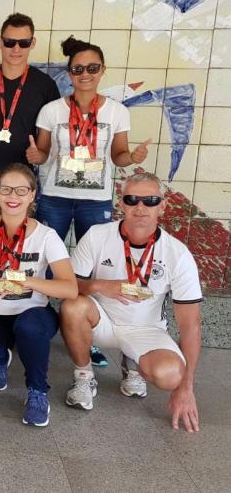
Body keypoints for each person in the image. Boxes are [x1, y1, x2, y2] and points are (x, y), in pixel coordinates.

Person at [29, 35, 152, 368]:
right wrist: (35, 155)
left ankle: (89, 333)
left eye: (92, 68)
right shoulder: (52, 110)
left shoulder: (116, 111)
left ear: (103, 70)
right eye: (78, 69)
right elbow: (42, 153)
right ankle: (37, 326)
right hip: (54, 197)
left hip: (94, 201)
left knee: (94, 267)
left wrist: (132, 157)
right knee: (44, 260)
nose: (85, 74)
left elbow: (118, 155)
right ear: (69, 73)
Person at [60, 172, 202, 432]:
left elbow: (190, 324)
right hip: (101, 321)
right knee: (72, 306)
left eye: (150, 200)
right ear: (121, 203)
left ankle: (133, 363)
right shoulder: (97, 235)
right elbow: (68, 286)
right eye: (132, 199)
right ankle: (84, 376)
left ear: (162, 206)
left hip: (145, 330)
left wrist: (186, 388)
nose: (140, 207)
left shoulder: (178, 254)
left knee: (171, 375)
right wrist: (99, 286)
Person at [0, 163, 77, 427]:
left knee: (30, 327)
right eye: (6, 189)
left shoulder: (46, 236)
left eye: (21, 190)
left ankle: (37, 392)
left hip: (33, 312)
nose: (13, 196)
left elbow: (70, 287)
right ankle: (1, 358)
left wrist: (28, 281)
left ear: (32, 195)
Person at [0, 13, 60, 218]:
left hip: (21, 182)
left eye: (23, 43)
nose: (16, 49)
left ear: (32, 43)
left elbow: (51, 133)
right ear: (0, 42)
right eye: (10, 42)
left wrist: (41, 155)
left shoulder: (45, 85)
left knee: (18, 237)